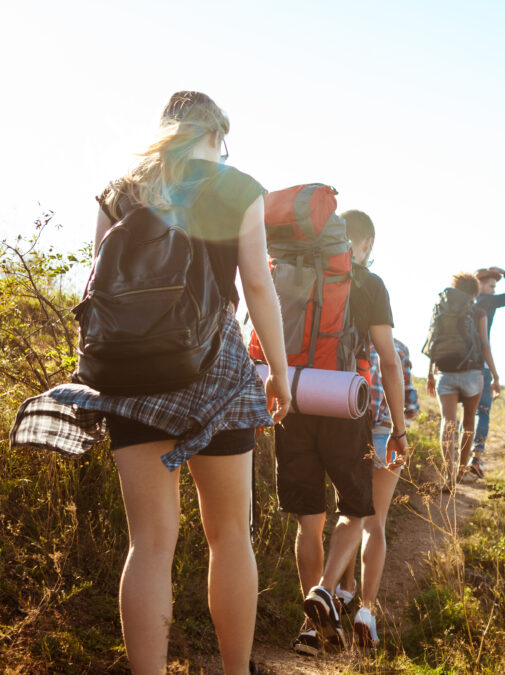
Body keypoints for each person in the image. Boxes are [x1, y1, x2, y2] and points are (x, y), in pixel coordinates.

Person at [10, 91, 291, 674]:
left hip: (131, 376)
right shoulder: (237, 188)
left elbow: (98, 292)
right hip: (216, 370)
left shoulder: (120, 192)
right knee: (229, 536)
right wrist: (280, 375)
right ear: (214, 135)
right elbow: (259, 289)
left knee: (149, 544)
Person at [280, 209, 408, 655]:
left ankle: (311, 629)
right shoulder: (369, 282)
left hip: (295, 399)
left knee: (308, 521)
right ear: (366, 244)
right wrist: (399, 428)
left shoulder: (296, 270)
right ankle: (326, 589)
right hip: (344, 403)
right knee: (355, 511)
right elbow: (388, 360)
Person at [334, 337, 419, 644]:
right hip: (386, 436)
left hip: (346, 436)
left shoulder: (344, 341)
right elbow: (411, 406)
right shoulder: (398, 349)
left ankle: (344, 589)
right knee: (375, 523)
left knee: (349, 515)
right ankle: (366, 611)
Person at [424, 273, 500, 488]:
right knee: (468, 423)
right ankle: (461, 472)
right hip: (472, 373)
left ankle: (448, 476)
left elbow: (431, 340)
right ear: (474, 291)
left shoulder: (441, 308)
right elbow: (484, 345)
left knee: (447, 422)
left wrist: (430, 373)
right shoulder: (478, 311)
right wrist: (495, 376)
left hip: (445, 372)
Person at [469, 267, 505, 478]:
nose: (493, 291)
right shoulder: (486, 301)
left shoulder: (465, 303)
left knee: (463, 414)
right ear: (480, 285)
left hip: (459, 365)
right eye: (492, 286)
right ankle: (476, 458)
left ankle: (457, 460)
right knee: (482, 412)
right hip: (480, 366)